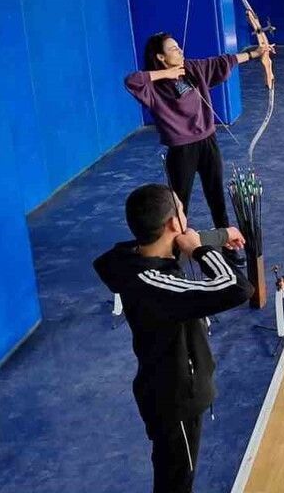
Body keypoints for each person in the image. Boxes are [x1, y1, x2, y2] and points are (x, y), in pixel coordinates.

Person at [94, 184, 254, 493]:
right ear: (171, 224)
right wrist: (200, 250)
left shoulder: (129, 258)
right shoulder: (158, 286)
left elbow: (172, 242)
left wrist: (217, 236)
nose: (186, 217)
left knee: (173, 475)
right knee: (176, 483)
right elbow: (237, 287)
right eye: (182, 212)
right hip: (175, 399)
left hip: (162, 391)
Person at [125, 33, 273, 228]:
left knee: (217, 198)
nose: (179, 51)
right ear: (161, 57)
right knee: (178, 204)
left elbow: (223, 61)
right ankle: (174, 251)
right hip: (181, 151)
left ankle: (227, 244)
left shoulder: (192, 69)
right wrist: (166, 74)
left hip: (208, 143)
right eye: (173, 49)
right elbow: (132, 81)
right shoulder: (153, 87)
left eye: (179, 46)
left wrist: (255, 54)